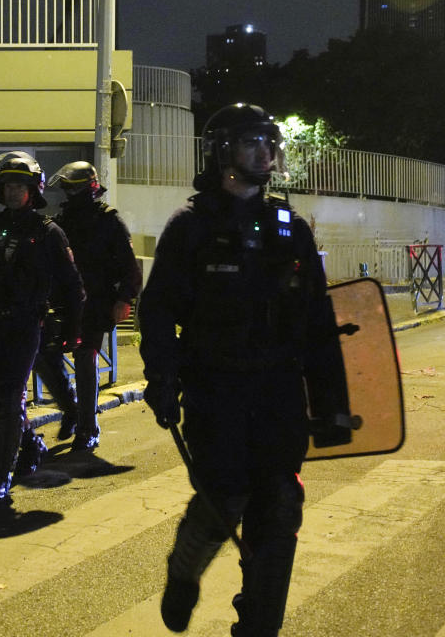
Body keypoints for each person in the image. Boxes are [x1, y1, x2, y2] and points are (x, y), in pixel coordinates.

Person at [138, 103, 330, 636]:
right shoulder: (191, 228)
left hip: (278, 392)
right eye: (252, 142)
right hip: (215, 389)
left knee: (280, 504)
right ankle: (185, 570)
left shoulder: (291, 229)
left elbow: (319, 322)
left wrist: (333, 402)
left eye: (270, 142)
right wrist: (162, 379)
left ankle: (259, 624)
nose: (265, 152)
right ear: (222, 150)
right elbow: (157, 314)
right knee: (225, 493)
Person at [0, 151, 83, 500]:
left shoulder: (48, 233)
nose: (13, 192)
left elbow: (73, 286)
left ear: (34, 190)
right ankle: (30, 447)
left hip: (27, 326)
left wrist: (74, 330)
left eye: (20, 186)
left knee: (11, 398)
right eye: (8, 185)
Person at [34, 161, 142, 450]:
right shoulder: (61, 221)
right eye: (68, 188)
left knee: (84, 358)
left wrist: (124, 299)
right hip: (62, 302)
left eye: (74, 187)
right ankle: (71, 409)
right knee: (45, 356)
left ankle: (87, 427)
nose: (70, 193)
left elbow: (130, 267)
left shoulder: (109, 220)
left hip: (95, 303)